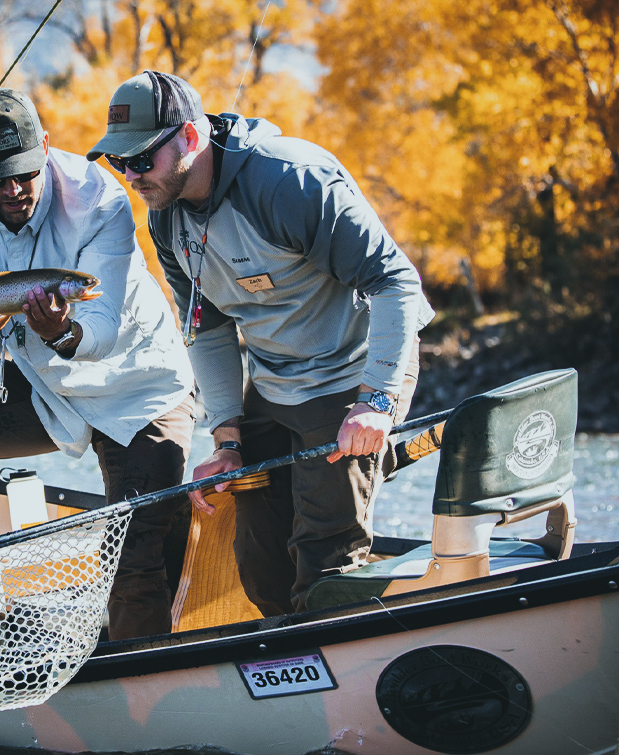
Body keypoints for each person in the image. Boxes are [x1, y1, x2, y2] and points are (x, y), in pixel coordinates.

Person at [88, 71, 434, 615]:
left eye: (142, 158)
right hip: (273, 382)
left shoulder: (289, 180)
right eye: (118, 161)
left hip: (353, 374)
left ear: (191, 138)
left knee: (324, 559)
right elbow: (207, 327)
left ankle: (334, 673)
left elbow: (396, 282)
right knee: (260, 563)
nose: (131, 174)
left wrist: (378, 402)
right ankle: (284, 673)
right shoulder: (164, 216)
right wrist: (226, 437)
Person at [0, 88, 195, 640]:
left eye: (25, 173)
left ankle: (138, 687)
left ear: (47, 149)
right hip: (40, 380)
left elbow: (100, 331)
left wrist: (62, 330)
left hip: (137, 385)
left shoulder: (99, 196)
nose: (12, 190)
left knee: (132, 556)